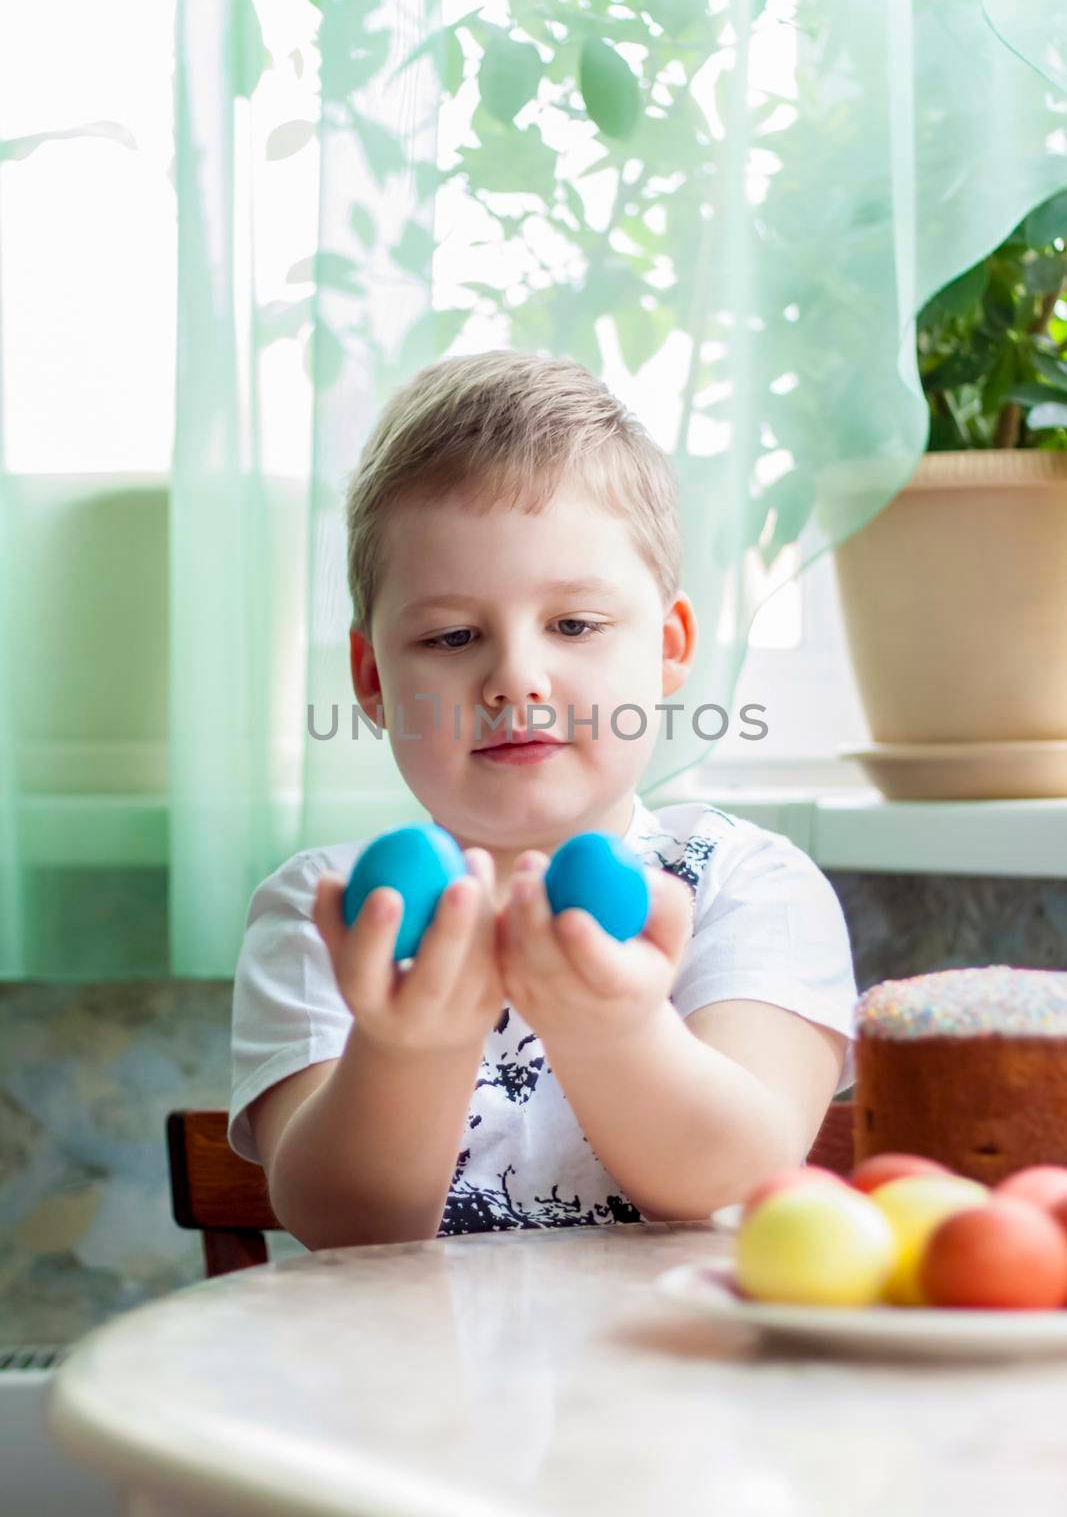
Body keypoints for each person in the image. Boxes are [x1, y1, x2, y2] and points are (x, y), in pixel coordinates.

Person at [228, 350, 857, 1250]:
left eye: (572, 625)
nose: (515, 677)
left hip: (686, 1384)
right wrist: (412, 1045)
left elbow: (732, 1182)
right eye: (451, 636)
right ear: (371, 676)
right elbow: (342, 1224)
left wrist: (612, 1027)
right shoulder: (332, 913)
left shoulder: (744, 887)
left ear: (670, 645)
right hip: (405, 1385)